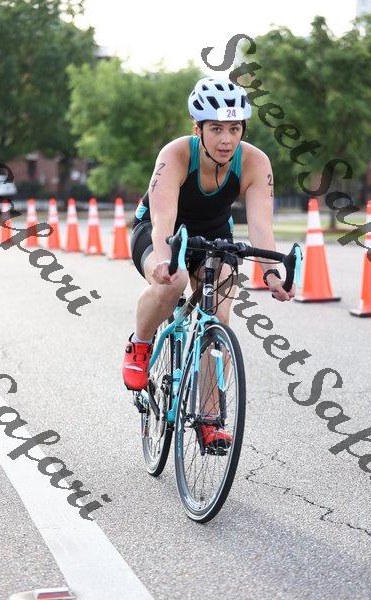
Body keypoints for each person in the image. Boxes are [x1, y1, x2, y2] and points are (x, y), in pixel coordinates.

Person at [122, 76, 295, 447]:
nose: (226, 139)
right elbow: (163, 221)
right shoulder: (175, 155)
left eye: (234, 129)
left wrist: (271, 274)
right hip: (158, 230)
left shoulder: (255, 162)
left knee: (218, 316)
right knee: (173, 281)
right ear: (197, 128)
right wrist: (164, 262)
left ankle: (210, 418)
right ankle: (140, 344)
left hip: (214, 236)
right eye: (216, 129)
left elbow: (261, 227)